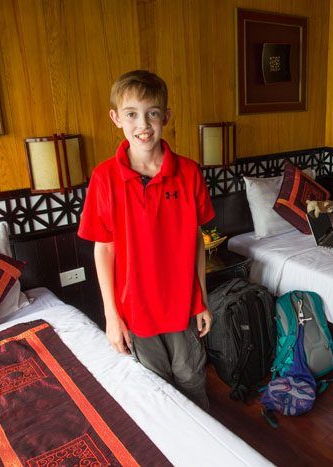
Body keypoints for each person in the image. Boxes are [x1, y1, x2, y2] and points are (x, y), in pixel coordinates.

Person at [78, 70, 215, 410]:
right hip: (135, 310)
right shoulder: (104, 178)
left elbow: (198, 240)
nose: (144, 124)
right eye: (132, 114)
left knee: (192, 380)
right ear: (116, 118)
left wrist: (202, 299)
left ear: (166, 116)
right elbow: (104, 249)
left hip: (182, 304)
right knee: (156, 392)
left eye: (153, 112)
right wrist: (111, 316)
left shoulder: (189, 172)